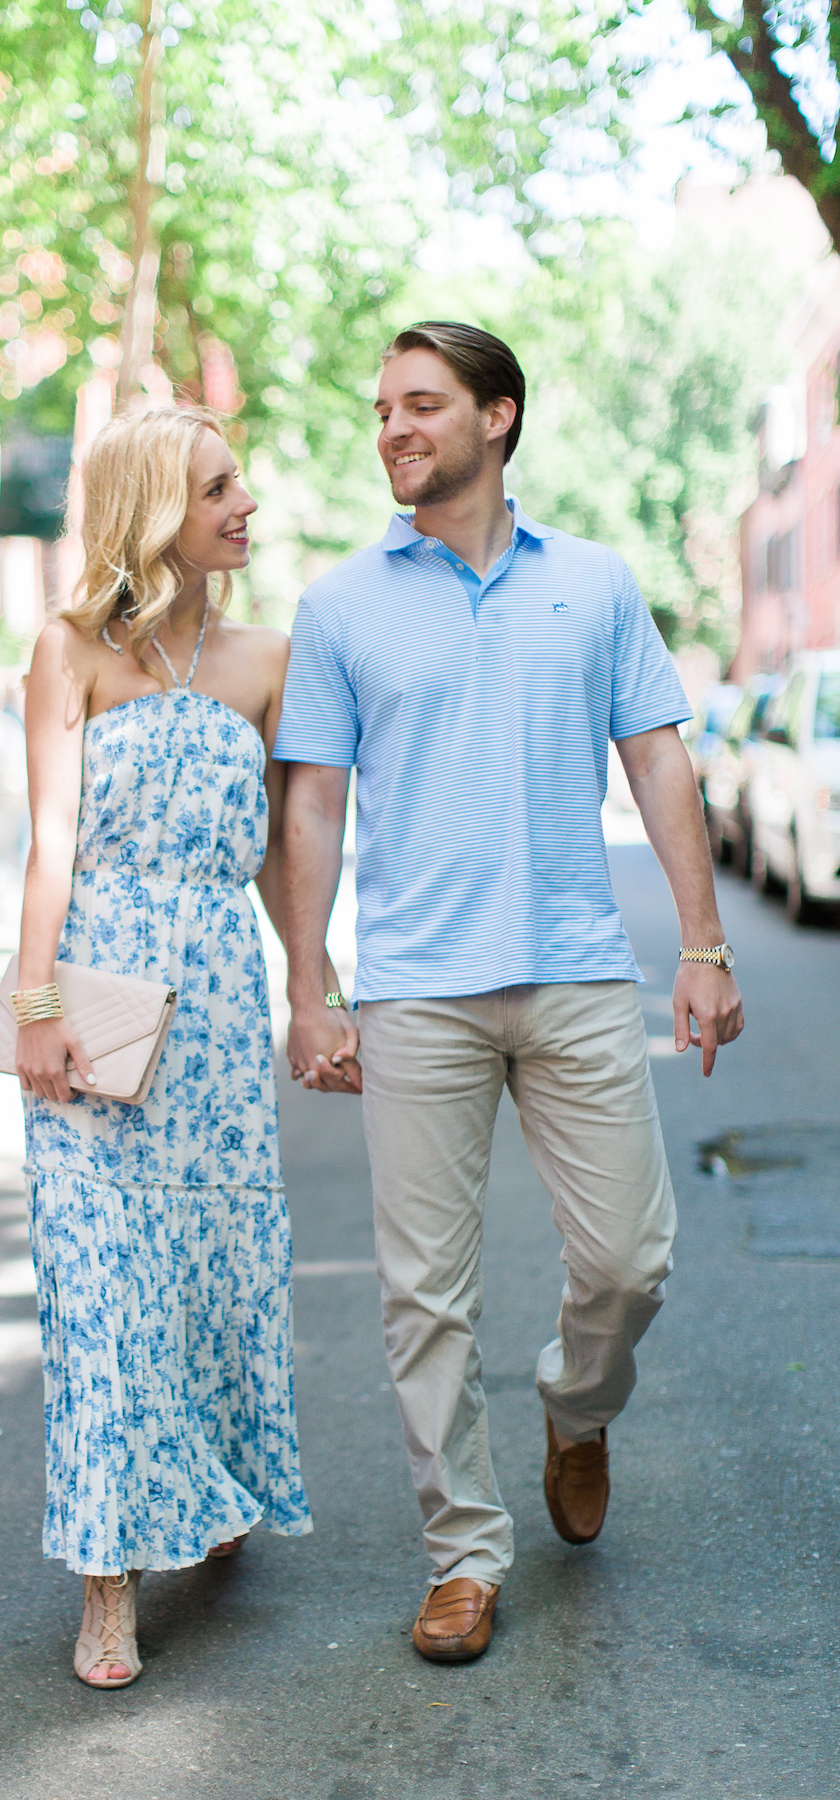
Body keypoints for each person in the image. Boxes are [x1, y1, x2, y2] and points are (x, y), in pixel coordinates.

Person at [275, 321, 744, 1664]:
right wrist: (311, 987)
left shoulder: (593, 586)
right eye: (381, 411)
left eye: (422, 405)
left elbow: (658, 763)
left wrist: (702, 946)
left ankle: (575, 1408)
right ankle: (464, 1554)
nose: (393, 430)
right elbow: (311, 802)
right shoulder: (342, 604)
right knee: (425, 1295)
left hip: (582, 972)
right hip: (415, 991)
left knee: (629, 1260)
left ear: (500, 417)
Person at [15, 405, 331, 1690]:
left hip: (214, 1011)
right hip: (93, 1000)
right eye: (216, 489)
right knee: (100, 1297)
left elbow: (275, 852)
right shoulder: (69, 649)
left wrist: (316, 988)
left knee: (209, 1272)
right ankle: (106, 1589)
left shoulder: (268, 661)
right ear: (158, 511)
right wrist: (35, 1004)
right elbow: (50, 838)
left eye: (239, 482)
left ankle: (216, 1485)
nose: (244, 503)